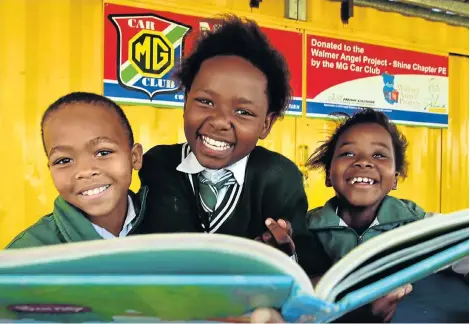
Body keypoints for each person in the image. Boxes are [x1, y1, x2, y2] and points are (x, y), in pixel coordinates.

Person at [137, 15, 318, 269]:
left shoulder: (279, 178)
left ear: (266, 124)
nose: (220, 121)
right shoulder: (159, 165)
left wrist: (285, 256)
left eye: (243, 112)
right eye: (205, 102)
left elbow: (305, 258)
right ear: (186, 101)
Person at [305, 108, 421, 322]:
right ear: (328, 175)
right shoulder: (307, 228)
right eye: (348, 153)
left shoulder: (415, 221)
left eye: (379, 155)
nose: (363, 162)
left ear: (394, 179)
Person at [7, 92, 146, 248]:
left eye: (103, 153)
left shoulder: (166, 222)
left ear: (135, 157)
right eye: (64, 160)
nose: (85, 171)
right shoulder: (27, 255)